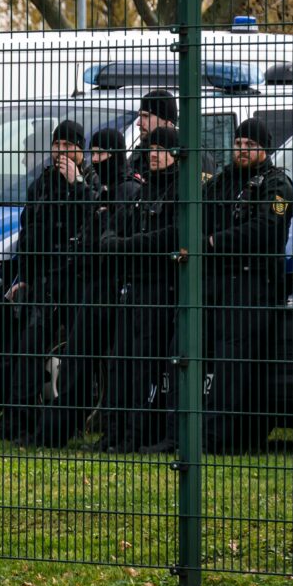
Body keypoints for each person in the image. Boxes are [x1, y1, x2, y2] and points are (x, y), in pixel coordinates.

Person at [0, 120, 99, 446]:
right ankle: (17, 420)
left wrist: (77, 185)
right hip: (43, 279)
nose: (59, 153)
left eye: (67, 147)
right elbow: (28, 235)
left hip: (75, 277)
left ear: (79, 149)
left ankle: (65, 423)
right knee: (28, 351)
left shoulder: (91, 181)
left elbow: (95, 218)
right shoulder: (41, 183)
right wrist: (24, 278)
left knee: (75, 354)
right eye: (55, 146)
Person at [183, 118, 293, 454]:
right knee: (202, 358)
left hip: (253, 285)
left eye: (250, 146)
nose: (242, 151)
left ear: (264, 149)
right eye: (238, 144)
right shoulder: (222, 181)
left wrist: (214, 242)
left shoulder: (276, 184)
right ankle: (194, 432)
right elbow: (195, 217)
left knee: (235, 364)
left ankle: (220, 439)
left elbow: (264, 231)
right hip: (217, 284)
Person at [34, 127, 140, 448]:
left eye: (102, 153)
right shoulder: (78, 185)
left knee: (112, 364)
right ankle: (54, 433)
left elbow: (111, 231)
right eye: (94, 153)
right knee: (78, 359)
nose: (96, 159)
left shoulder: (124, 189)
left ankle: (112, 434)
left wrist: (80, 189)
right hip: (87, 280)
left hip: (112, 285)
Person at [97, 124, 182, 453]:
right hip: (133, 286)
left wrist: (126, 245)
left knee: (145, 364)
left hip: (158, 290)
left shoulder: (177, 191)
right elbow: (111, 233)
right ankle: (116, 433)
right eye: (151, 150)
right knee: (122, 361)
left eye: (161, 150)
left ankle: (138, 435)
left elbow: (166, 238)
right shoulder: (143, 192)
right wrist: (126, 244)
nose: (154, 156)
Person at [130, 90, 178, 176]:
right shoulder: (141, 152)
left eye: (145, 116)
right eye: (140, 116)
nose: (138, 123)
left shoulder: (190, 154)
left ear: (167, 122)